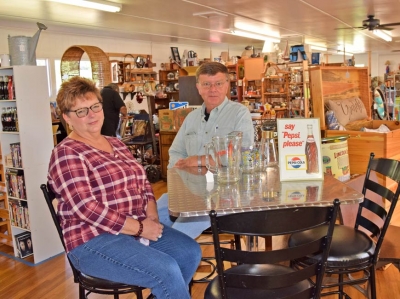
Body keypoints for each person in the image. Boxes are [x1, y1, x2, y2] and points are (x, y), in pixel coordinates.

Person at [47, 76, 201, 299]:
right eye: (81, 111)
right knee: (165, 269)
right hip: (92, 240)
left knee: (189, 252)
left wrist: (152, 218)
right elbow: (86, 207)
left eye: (95, 107)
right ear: (67, 118)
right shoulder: (67, 153)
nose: (91, 115)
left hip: (132, 229)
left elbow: (143, 183)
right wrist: (139, 228)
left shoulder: (116, 143)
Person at [157, 62, 254, 239]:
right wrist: (182, 174)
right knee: (152, 214)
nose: (213, 89)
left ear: (227, 85)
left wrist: (199, 160)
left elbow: (240, 154)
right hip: (190, 190)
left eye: (218, 83)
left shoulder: (240, 114)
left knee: (179, 231)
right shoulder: (191, 118)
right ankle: (148, 252)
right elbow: (176, 152)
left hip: (224, 196)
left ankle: (170, 256)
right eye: (206, 84)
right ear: (198, 87)